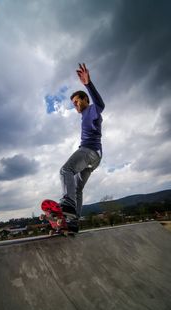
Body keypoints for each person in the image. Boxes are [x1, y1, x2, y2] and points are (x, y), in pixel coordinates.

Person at [59, 63, 105, 220]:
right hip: (95, 158)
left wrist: (88, 84)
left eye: (77, 101)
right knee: (78, 189)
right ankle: (73, 221)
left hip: (89, 152)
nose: (76, 106)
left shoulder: (91, 110)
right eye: (73, 104)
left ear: (85, 99)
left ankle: (68, 203)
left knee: (66, 171)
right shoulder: (85, 115)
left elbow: (100, 105)